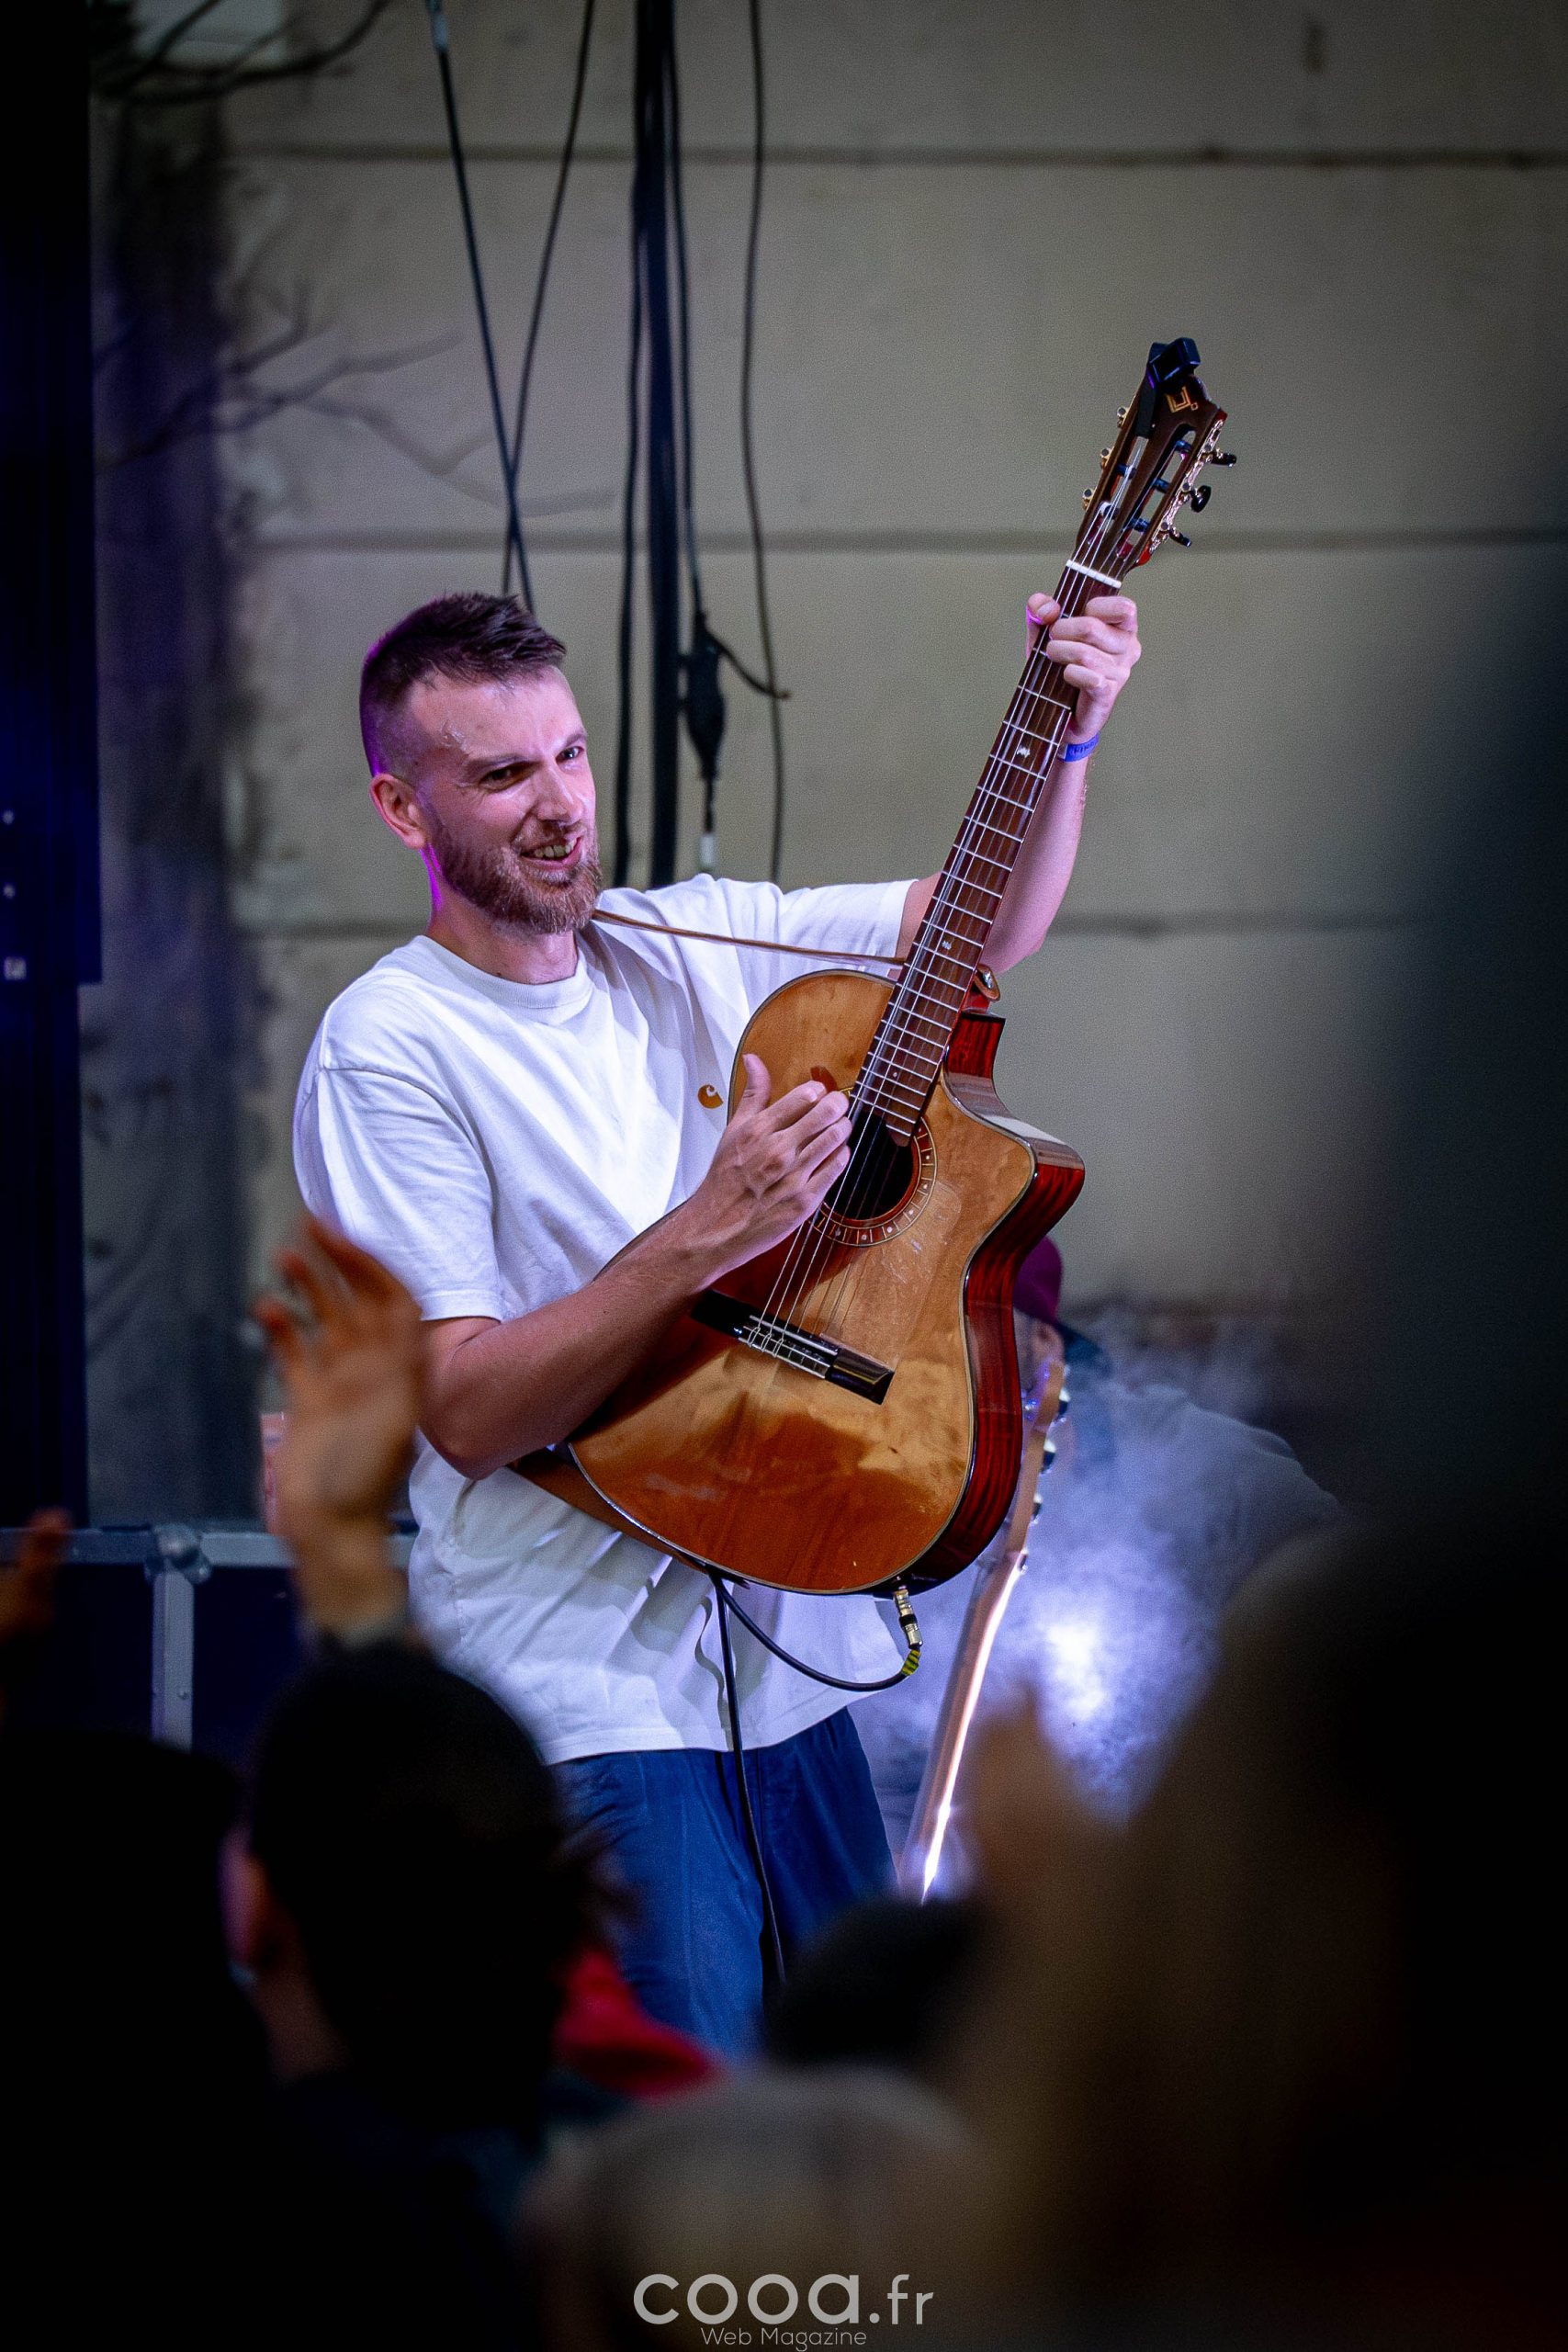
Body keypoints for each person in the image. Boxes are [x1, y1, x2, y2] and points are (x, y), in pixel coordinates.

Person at [292, 583, 1141, 2052]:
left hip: (791, 1663)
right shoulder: (390, 1046)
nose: (560, 804)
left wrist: (1068, 741)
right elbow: (469, 1413)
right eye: (502, 774)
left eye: (569, 754)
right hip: (594, 1699)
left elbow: (975, 931)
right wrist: (713, 1225)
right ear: (402, 808)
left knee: (867, 2105)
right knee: (688, 2127)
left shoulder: (683, 938)